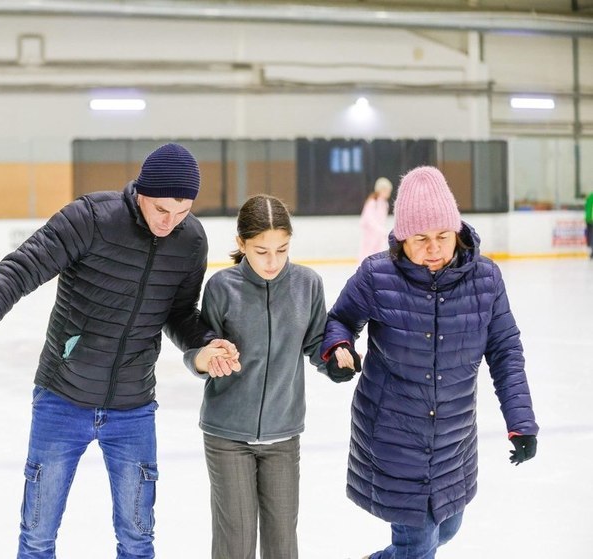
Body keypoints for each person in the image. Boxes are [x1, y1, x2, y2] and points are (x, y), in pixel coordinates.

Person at [0, 143, 240, 559]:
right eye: (161, 210)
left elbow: (178, 312)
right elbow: (18, 270)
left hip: (134, 406)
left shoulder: (189, 241)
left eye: (182, 212)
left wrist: (205, 345)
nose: (170, 222)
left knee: (138, 540)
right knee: (37, 536)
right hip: (61, 398)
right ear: (142, 191)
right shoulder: (91, 219)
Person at [323, 166, 539, 559]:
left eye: (442, 236)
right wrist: (339, 348)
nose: (434, 248)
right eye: (420, 239)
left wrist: (520, 421)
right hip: (393, 433)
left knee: (447, 528)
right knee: (419, 545)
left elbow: (505, 349)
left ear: (457, 230)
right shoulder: (377, 276)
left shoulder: (486, 279)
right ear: (402, 238)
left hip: (453, 439)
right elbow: (339, 319)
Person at [183, 194, 343, 559]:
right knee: (235, 543)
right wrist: (205, 360)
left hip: (283, 434)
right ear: (241, 244)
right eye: (261, 251)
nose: (273, 261)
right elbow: (199, 346)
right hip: (227, 434)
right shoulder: (221, 288)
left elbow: (317, 341)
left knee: (282, 544)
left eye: (282, 250)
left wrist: (336, 358)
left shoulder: (307, 284)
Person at [358, 176, 393, 261]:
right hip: (370, 235)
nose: (389, 193)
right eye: (387, 191)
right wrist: (380, 230)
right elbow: (368, 219)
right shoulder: (372, 202)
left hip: (379, 235)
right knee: (367, 254)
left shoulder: (384, 203)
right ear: (382, 190)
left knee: (379, 254)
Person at [585, 190, 593, 258]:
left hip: (588, 219)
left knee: (590, 235)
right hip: (591, 219)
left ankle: (591, 252)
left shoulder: (589, 197)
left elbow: (586, 208)